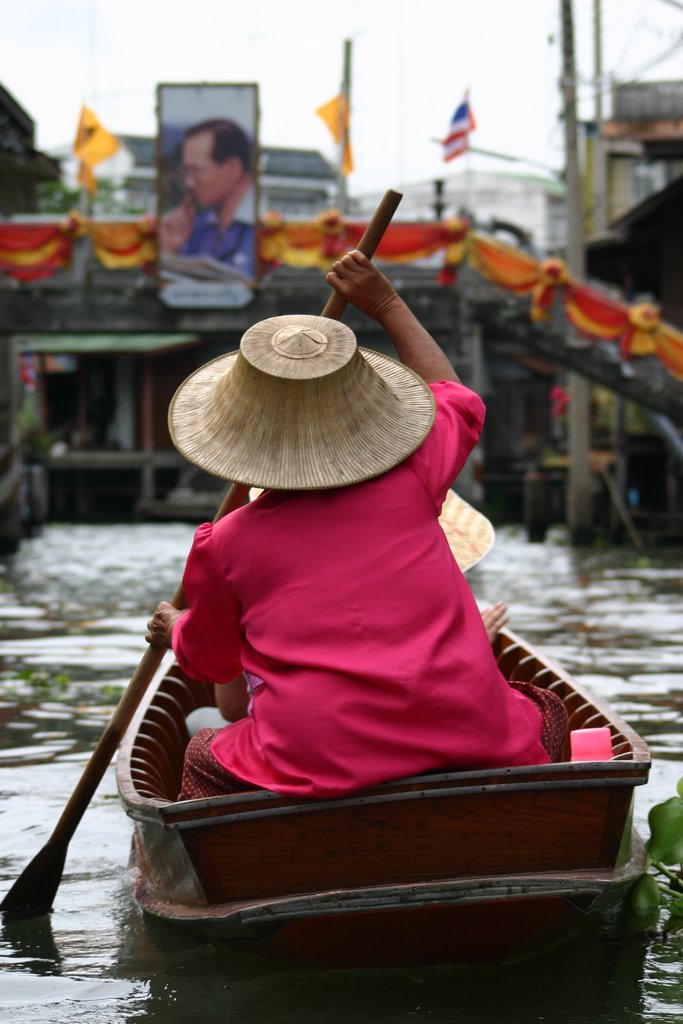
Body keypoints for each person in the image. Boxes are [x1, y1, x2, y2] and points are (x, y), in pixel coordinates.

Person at [146, 250, 567, 801]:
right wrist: (387, 305)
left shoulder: (225, 541)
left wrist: (174, 624)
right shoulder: (413, 478)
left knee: (203, 754)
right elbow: (458, 400)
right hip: (465, 732)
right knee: (549, 713)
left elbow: (212, 660)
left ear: (244, 443)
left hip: (319, 756)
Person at [159, 118, 255, 278]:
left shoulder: (268, 229)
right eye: (186, 172)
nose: (189, 183)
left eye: (195, 171)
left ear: (233, 168)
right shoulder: (190, 227)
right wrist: (169, 252)